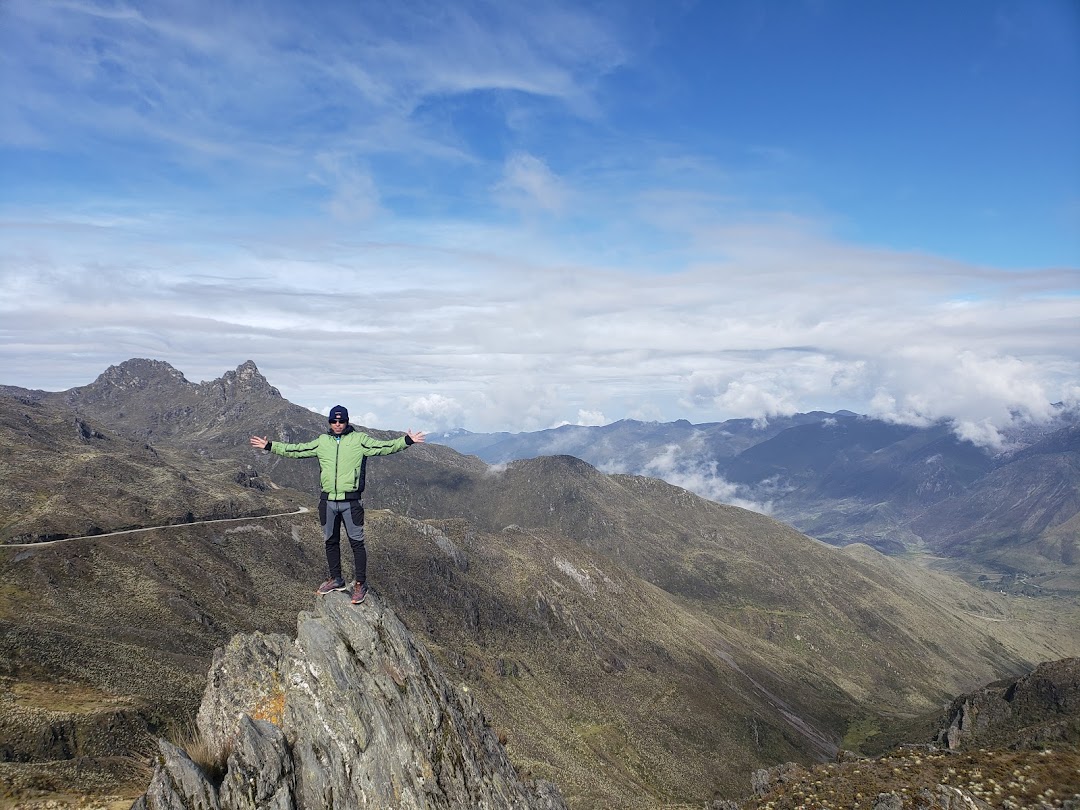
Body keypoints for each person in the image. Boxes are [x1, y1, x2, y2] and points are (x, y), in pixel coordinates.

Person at [250, 405, 425, 605]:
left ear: (347, 421)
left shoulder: (359, 440)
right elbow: (297, 450)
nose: (338, 424)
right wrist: (270, 446)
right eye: (334, 421)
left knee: (357, 543)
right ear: (330, 422)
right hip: (328, 502)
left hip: (351, 501)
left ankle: (360, 584)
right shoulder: (322, 441)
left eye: (341, 421)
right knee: (330, 542)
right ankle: (336, 579)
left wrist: (406, 441)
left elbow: (383, 447)